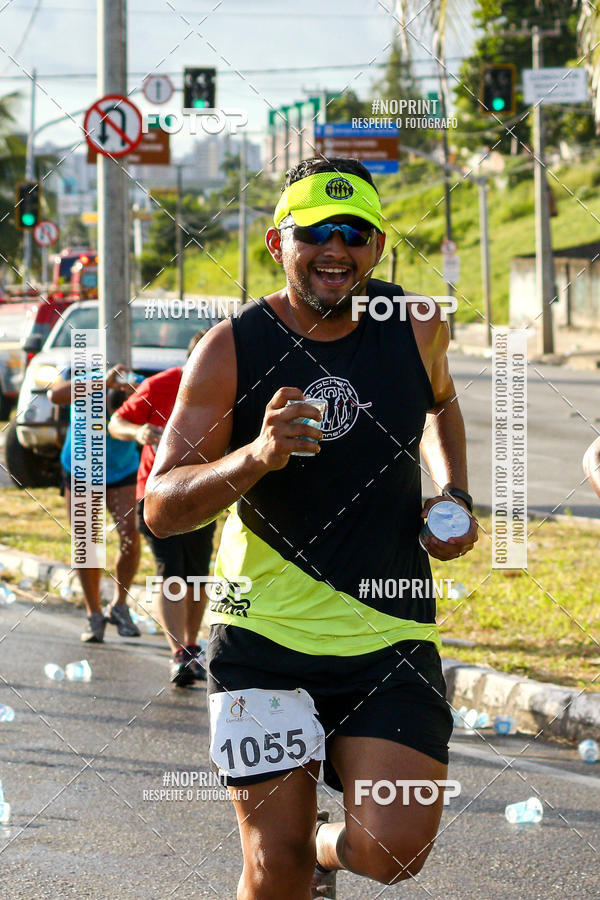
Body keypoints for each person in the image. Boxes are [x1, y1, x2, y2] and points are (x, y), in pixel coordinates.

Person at [144, 157, 478, 898]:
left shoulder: (417, 324)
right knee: (274, 867)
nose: (335, 249)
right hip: (262, 635)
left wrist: (453, 492)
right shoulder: (232, 347)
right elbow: (161, 506)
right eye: (315, 233)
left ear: (378, 246)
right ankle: (300, 857)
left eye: (354, 232)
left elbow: (440, 402)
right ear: (277, 243)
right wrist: (256, 457)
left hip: (388, 629)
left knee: (393, 852)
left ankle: (324, 851)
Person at [108, 331, 216, 686]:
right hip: (155, 492)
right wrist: (139, 433)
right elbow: (116, 422)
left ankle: (191, 645)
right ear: (192, 360)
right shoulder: (160, 385)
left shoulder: (226, 386)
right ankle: (178, 653)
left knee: (197, 573)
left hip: (201, 491)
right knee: (171, 569)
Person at [49, 365, 142, 643]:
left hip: (122, 469)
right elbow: (55, 396)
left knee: (130, 535)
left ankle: (119, 605)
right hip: (81, 469)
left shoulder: (138, 385)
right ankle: (94, 614)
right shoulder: (90, 382)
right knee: (85, 541)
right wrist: (102, 382)